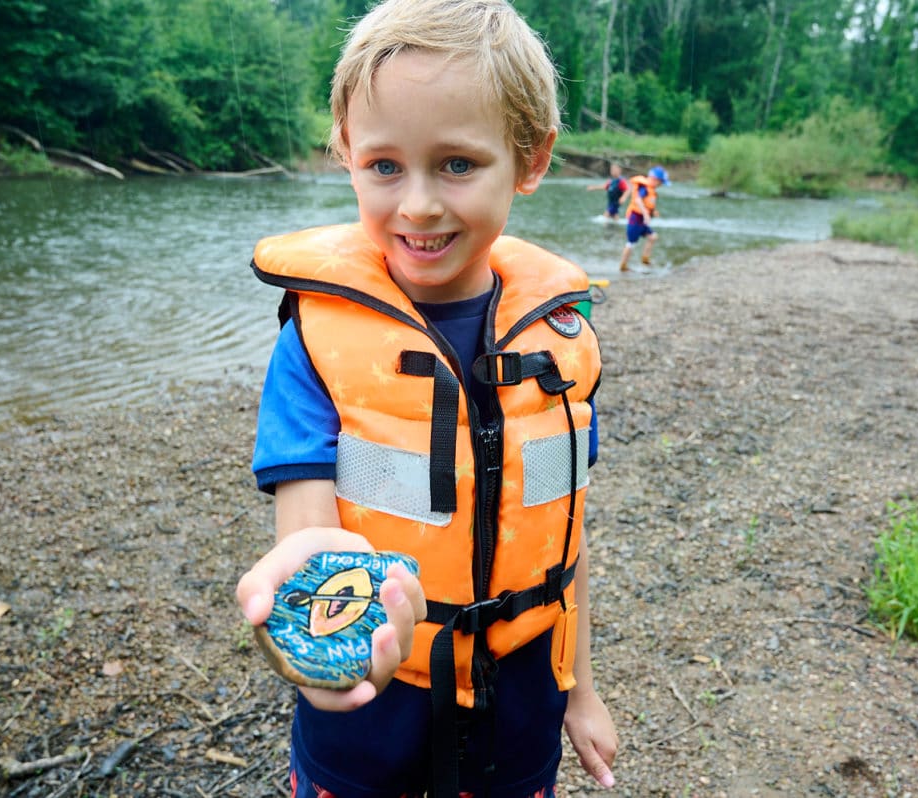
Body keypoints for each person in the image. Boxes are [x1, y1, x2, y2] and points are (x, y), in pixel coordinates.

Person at [235, 1, 619, 797]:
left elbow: (567, 540)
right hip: (370, 729)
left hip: (520, 720)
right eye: (384, 166)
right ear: (345, 150)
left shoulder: (559, 342)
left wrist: (581, 690)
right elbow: (310, 540)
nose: (417, 205)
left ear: (531, 158)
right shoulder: (313, 343)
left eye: (456, 164)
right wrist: (316, 656)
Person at [618, 165, 669, 272]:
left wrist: (653, 211)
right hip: (635, 218)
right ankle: (623, 266)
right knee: (631, 243)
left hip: (642, 220)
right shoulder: (644, 188)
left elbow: (648, 203)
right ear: (655, 180)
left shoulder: (650, 189)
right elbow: (638, 200)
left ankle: (645, 259)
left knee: (653, 237)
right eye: (660, 183)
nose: (660, 186)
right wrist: (646, 214)